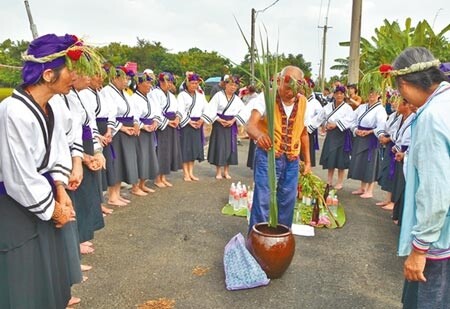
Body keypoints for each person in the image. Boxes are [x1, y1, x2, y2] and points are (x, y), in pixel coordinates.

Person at [0, 33, 90, 309]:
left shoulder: (49, 108)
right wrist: (53, 209)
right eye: (70, 71)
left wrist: (60, 191)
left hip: (42, 197)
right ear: (49, 74)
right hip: (15, 204)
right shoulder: (13, 111)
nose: (74, 77)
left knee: (48, 271)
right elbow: (19, 174)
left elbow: (57, 152)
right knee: (24, 276)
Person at [388, 47, 450, 308]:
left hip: (439, 242)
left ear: (403, 84)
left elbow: (435, 190)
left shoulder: (432, 116)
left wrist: (419, 249)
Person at [246, 65, 311, 229]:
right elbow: (250, 125)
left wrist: (308, 161)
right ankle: (257, 242)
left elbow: (303, 133)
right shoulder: (267, 96)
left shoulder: (303, 101)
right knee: (263, 199)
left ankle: (280, 242)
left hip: (292, 159)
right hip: (268, 157)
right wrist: (260, 136)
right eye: (287, 87)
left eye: (294, 89)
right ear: (279, 81)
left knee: (288, 201)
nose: (290, 93)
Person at [102, 66, 140, 206]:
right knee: (116, 163)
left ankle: (117, 194)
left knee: (124, 162)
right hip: (117, 130)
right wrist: (121, 128)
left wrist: (136, 123)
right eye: (124, 78)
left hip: (128, 129)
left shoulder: (126, 92)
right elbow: (109, 114)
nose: (126, 81)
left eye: (128, 79)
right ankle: (112, 196)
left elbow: (134, 110)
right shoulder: (107, 92)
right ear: (114, 78)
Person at [308, 86, 355, 189]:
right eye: (337, 93)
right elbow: (320, 118)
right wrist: (313, 127)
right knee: (331, 158)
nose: (339, 95)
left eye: (341, 94)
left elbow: (350, 120)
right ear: (333, 95)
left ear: (344, 95)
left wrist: (337, 124)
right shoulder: (328, 107)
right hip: (331, 135)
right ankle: (329, 180)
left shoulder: (348, 108)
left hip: (342, 135)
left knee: (341, 159)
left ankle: (340, 182)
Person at [203, 74, 246, 179]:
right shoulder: (218, 96)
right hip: (219, 124)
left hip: (231, 125)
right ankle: (218, 171)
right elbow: (210, 109)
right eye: (231, 85)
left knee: (230, 148)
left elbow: (243, 111)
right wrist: (218, 119)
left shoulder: (237, 99)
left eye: (235, 86)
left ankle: (226, 171)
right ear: (225, 85)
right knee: (220, 147)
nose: (233, 87)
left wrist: (234, 120)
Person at [348, 88, 387, 198]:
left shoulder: (380, 109)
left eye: (374, 93)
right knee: (362, 162)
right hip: (360, 135)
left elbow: (382, 125)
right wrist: (355, 130)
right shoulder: (361, 107)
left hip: (371, 138)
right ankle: (362, 187)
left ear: (378, 95)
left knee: (371, 163)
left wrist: (370, 131)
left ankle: (370, 190)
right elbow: (352, 120)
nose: (371, 95)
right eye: (370, 92)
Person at [150, 72, 183, 187]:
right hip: (162, 126)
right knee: (161, 151)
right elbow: (155, 110)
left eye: (170, 82)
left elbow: (178, 108)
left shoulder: (171, 95)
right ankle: (157, 178)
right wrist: (167, 122)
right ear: (161, 81)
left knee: (169, 151)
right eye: (168, 81)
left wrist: (177, 118)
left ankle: (163, 177)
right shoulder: (154, 93)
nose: (169, 84)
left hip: (172, 124)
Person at [131, 72, 161, 193]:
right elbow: (134, 116)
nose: (149, 85)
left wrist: (155, 122)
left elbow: (157, 112)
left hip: (150, 129)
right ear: (139, 84)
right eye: (147, 82)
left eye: (150, 82)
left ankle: (143, 183)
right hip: (141, 131)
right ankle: (135, 186)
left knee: (149, 157)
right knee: (140, 157)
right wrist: (143, 126)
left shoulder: (150, 97)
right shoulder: (134, 98)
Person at [178, 72, 207, 181]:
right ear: (187, 83)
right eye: (192, 83)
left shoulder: (200, 95)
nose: (194, 85)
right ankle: (185, 173)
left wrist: (202, 119)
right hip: (187, 124)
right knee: (186, 149)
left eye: (196, 83)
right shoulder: (182, 95)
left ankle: (191, 172)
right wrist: (188, 121)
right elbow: (180, 110)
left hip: (198, 123)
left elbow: (206, 108)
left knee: (194, 148)